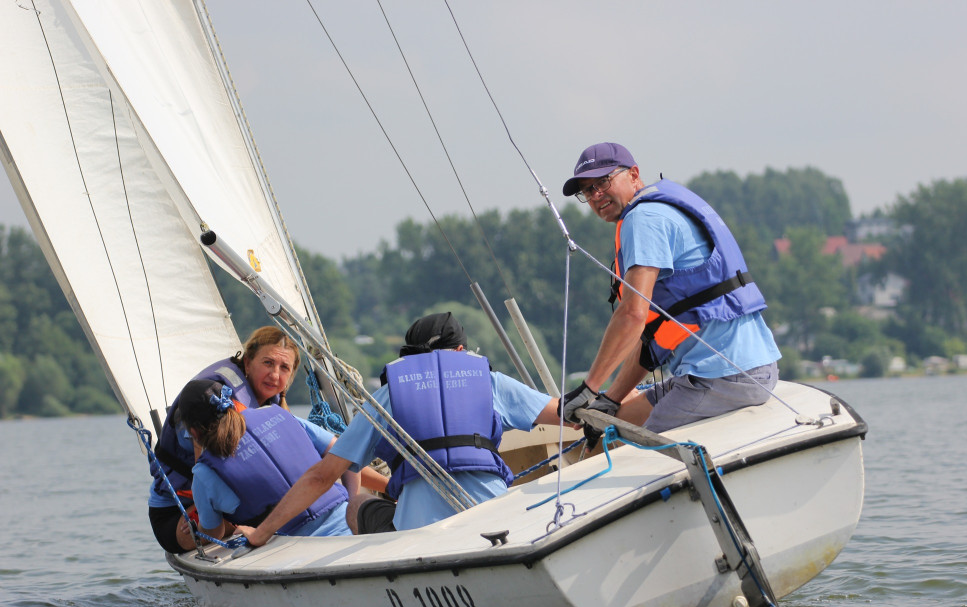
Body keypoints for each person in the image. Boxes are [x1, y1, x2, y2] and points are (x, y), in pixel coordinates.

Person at [237, 312, 562, 545]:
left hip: (418, 538)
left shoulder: (389, 397)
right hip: (493, 524)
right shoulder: (489, 383)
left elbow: (322, 476)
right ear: (462, 353)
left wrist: (261, 533)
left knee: (356, 506)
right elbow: (567, 415)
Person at [558, 142, 781, 436]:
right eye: (587, 191)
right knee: (618, 424)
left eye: (603, 181)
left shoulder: (643, 219)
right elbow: (652, 334)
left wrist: (588, 389)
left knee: (630, 450)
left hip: (721, 378)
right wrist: (610, 400)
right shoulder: (656, 209)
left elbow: (633, 315)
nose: (596, 195)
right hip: (748, 370)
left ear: (634, 175)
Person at [147, 326, 368, 553]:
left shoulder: (278, 416)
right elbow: (343, 453)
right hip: (178, 508)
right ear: (248, 362)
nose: (274, 375)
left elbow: (340, 455)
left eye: (284, 368)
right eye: (268, 363)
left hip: (249, 512)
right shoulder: (271, 418)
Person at [177, 379, 352, 539]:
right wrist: (352, 499)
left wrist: (198, 528)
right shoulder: (277, 414)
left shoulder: (204, 473)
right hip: (350, 523)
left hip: (295, 545)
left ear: (193, 432)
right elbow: (342, 451)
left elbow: (214, 533)